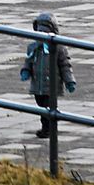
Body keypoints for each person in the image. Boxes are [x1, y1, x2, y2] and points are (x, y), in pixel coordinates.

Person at [18, 12, 77, 140]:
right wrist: (25, 71)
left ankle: (48, 129)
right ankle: (48, 126)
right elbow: (28, 61)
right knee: (41, 106)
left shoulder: (58, 48)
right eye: (39, 32)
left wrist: (69, 81)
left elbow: (65, 65)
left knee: (48, 108)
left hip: (52, 85)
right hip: (37, 85)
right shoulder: (33, 48)